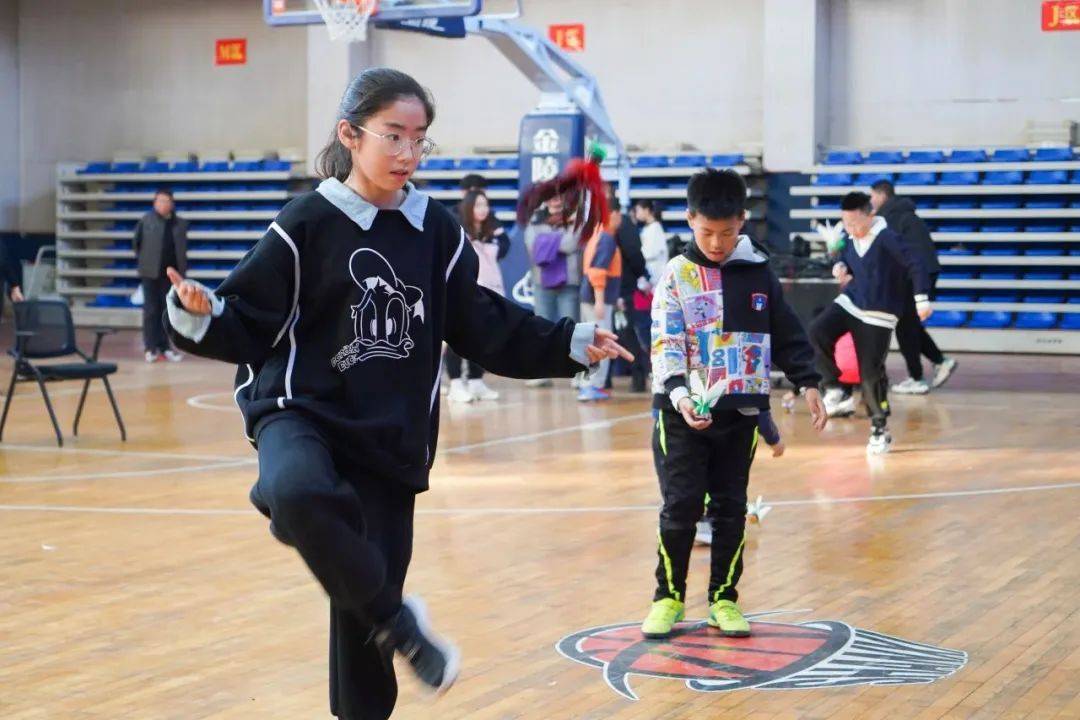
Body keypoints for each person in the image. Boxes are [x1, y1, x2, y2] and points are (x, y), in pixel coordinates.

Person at [161, 67, 631, 720]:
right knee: (297, 493)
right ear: (350, 135)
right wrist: (196, 310)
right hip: (300, 415)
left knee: (360, 620)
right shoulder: (306, 224)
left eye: (420, 139)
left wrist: (569, 342)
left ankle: (386, 633)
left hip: (389, 438)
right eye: (394, 136)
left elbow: (482, 324)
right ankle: (401, 624)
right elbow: (244, 321)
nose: (408, 154)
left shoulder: (434, 231)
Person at [642, 169, 826, 640]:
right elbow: (666, 341)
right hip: (680, 412)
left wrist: (808, 382)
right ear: (690, 220)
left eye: (727, 232)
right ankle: (668, 597)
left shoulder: (758, 272)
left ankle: (724, 598)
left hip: (738, 415)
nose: (718, 243)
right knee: (680, 506)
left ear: (742, 221)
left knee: (731, 507)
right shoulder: (676, 275)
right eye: (706, 232)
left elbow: (786, 333)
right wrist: (682, 396)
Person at [810, 191, 932, 455]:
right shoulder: (850, 237)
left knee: (870, 373)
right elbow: (843, 257)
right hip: (851, 302)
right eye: (847, 224)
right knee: (817, 331)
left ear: (870, 215)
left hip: (879, 313)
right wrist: (840, 264)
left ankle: (879, 429)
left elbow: (917, 264)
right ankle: (834, 389)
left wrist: (921, 299)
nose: (851, 229)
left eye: (855, 223)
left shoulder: (888, 238)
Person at [870, 180, 957, 394]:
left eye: (872, 195)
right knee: (909, 323)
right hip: (926, 270)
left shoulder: (889, 216)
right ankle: (939, 361)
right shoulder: (904, 212)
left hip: (914, 273)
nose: (871, 200)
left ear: (882, 195)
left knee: (904, 324)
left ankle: (917, 377)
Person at [445, 190, 509, 403]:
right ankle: (455, 383)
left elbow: (505, 248)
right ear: (468, 207)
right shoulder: (459, 230)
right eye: (478, 205)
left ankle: (476, 380)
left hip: (492, 287)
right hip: (467, 289)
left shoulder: (493, 229)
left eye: (485, 205)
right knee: (458, 337)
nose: (483, 209)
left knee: (483, 337)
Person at [523, 194, 584, 389]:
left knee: (571, 329)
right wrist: (557, 240)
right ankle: (542, 373)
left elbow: (572, 243)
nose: (555, 200)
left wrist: (546, 242)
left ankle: (577, 372)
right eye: (551, 196)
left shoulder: (576, 219)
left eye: (559, 196)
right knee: (542, 328)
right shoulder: (534, 220)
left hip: (570, 282)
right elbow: (534, 248)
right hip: (542, 283)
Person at [134, 188, 187, 363]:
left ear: (172, 203)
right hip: (149, 273)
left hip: (171, 275)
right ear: (154, 203)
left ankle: (165, 347)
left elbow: (181, 249)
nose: (163, 204)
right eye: (159, 201)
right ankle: (150, 348)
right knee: (151, 311)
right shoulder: (145, 221)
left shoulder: (180, 224)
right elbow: (136, 243)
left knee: (168, 311)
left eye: (166, 201)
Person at [578, 200, 623, 401]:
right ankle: (590, 385)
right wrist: (600, 300)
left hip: (594, 296)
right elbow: (597, 271)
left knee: (591, 341)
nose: (620, 219)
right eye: (619, 214)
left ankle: (587, 384)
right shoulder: (605, 238)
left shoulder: (597, 234)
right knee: (599, 343)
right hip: (597, 298)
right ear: (611, 214)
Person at [631, 200, 669, 392]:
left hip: (652, 287)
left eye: (638, 210)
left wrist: (646, 281)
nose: (636, 213)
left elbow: (650, 257)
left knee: (650, 329)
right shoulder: (649, 230)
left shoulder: (654, 229)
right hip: (648, 285)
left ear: (647, 210)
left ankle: (658, 367)